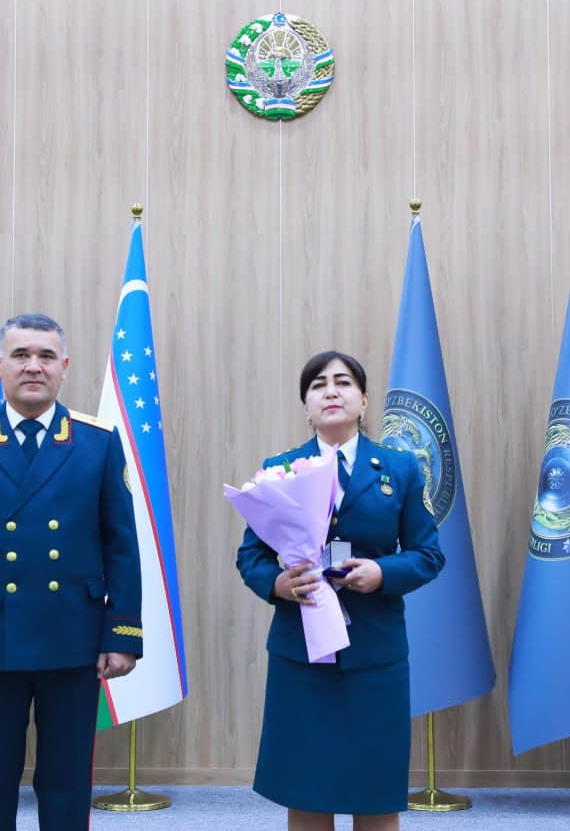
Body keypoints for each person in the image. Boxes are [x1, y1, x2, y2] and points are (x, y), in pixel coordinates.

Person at [0, 312, 142, 831]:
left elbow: (121, 547)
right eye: (20, 355)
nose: (33, 367)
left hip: (74, 635)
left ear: (64, 367)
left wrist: (123, 633)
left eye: (45, 356)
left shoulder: (97, 440)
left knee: (66, 783)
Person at [236, 351, 445, 831]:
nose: (331, 391)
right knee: (307, 787)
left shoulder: (401, 468)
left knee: (374, 792)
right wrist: (278, 584)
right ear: (306, 407)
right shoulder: (278, 470)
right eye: (318, 385)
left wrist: (381, 572)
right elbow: (251, 557)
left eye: (343, 382)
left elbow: (428, 555)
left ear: (364, 400)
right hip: (302, 653)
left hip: (374, 653)